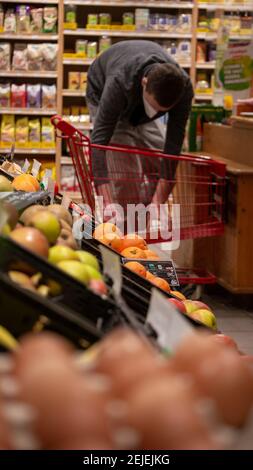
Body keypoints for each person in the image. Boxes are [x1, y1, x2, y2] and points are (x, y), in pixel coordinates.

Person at [86, 40, 194, 226]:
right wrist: (106, 201)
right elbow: (98, 143)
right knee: (124, 171)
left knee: (159, 158)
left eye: (162, 111)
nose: (155, 113)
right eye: (154, 107)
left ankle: (146, 213)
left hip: (140, 105)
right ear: (144, 83)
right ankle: (125, 225)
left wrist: (157, 203)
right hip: (103, 92)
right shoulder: (119, 82)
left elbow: (173, 145)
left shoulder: (183, 89)